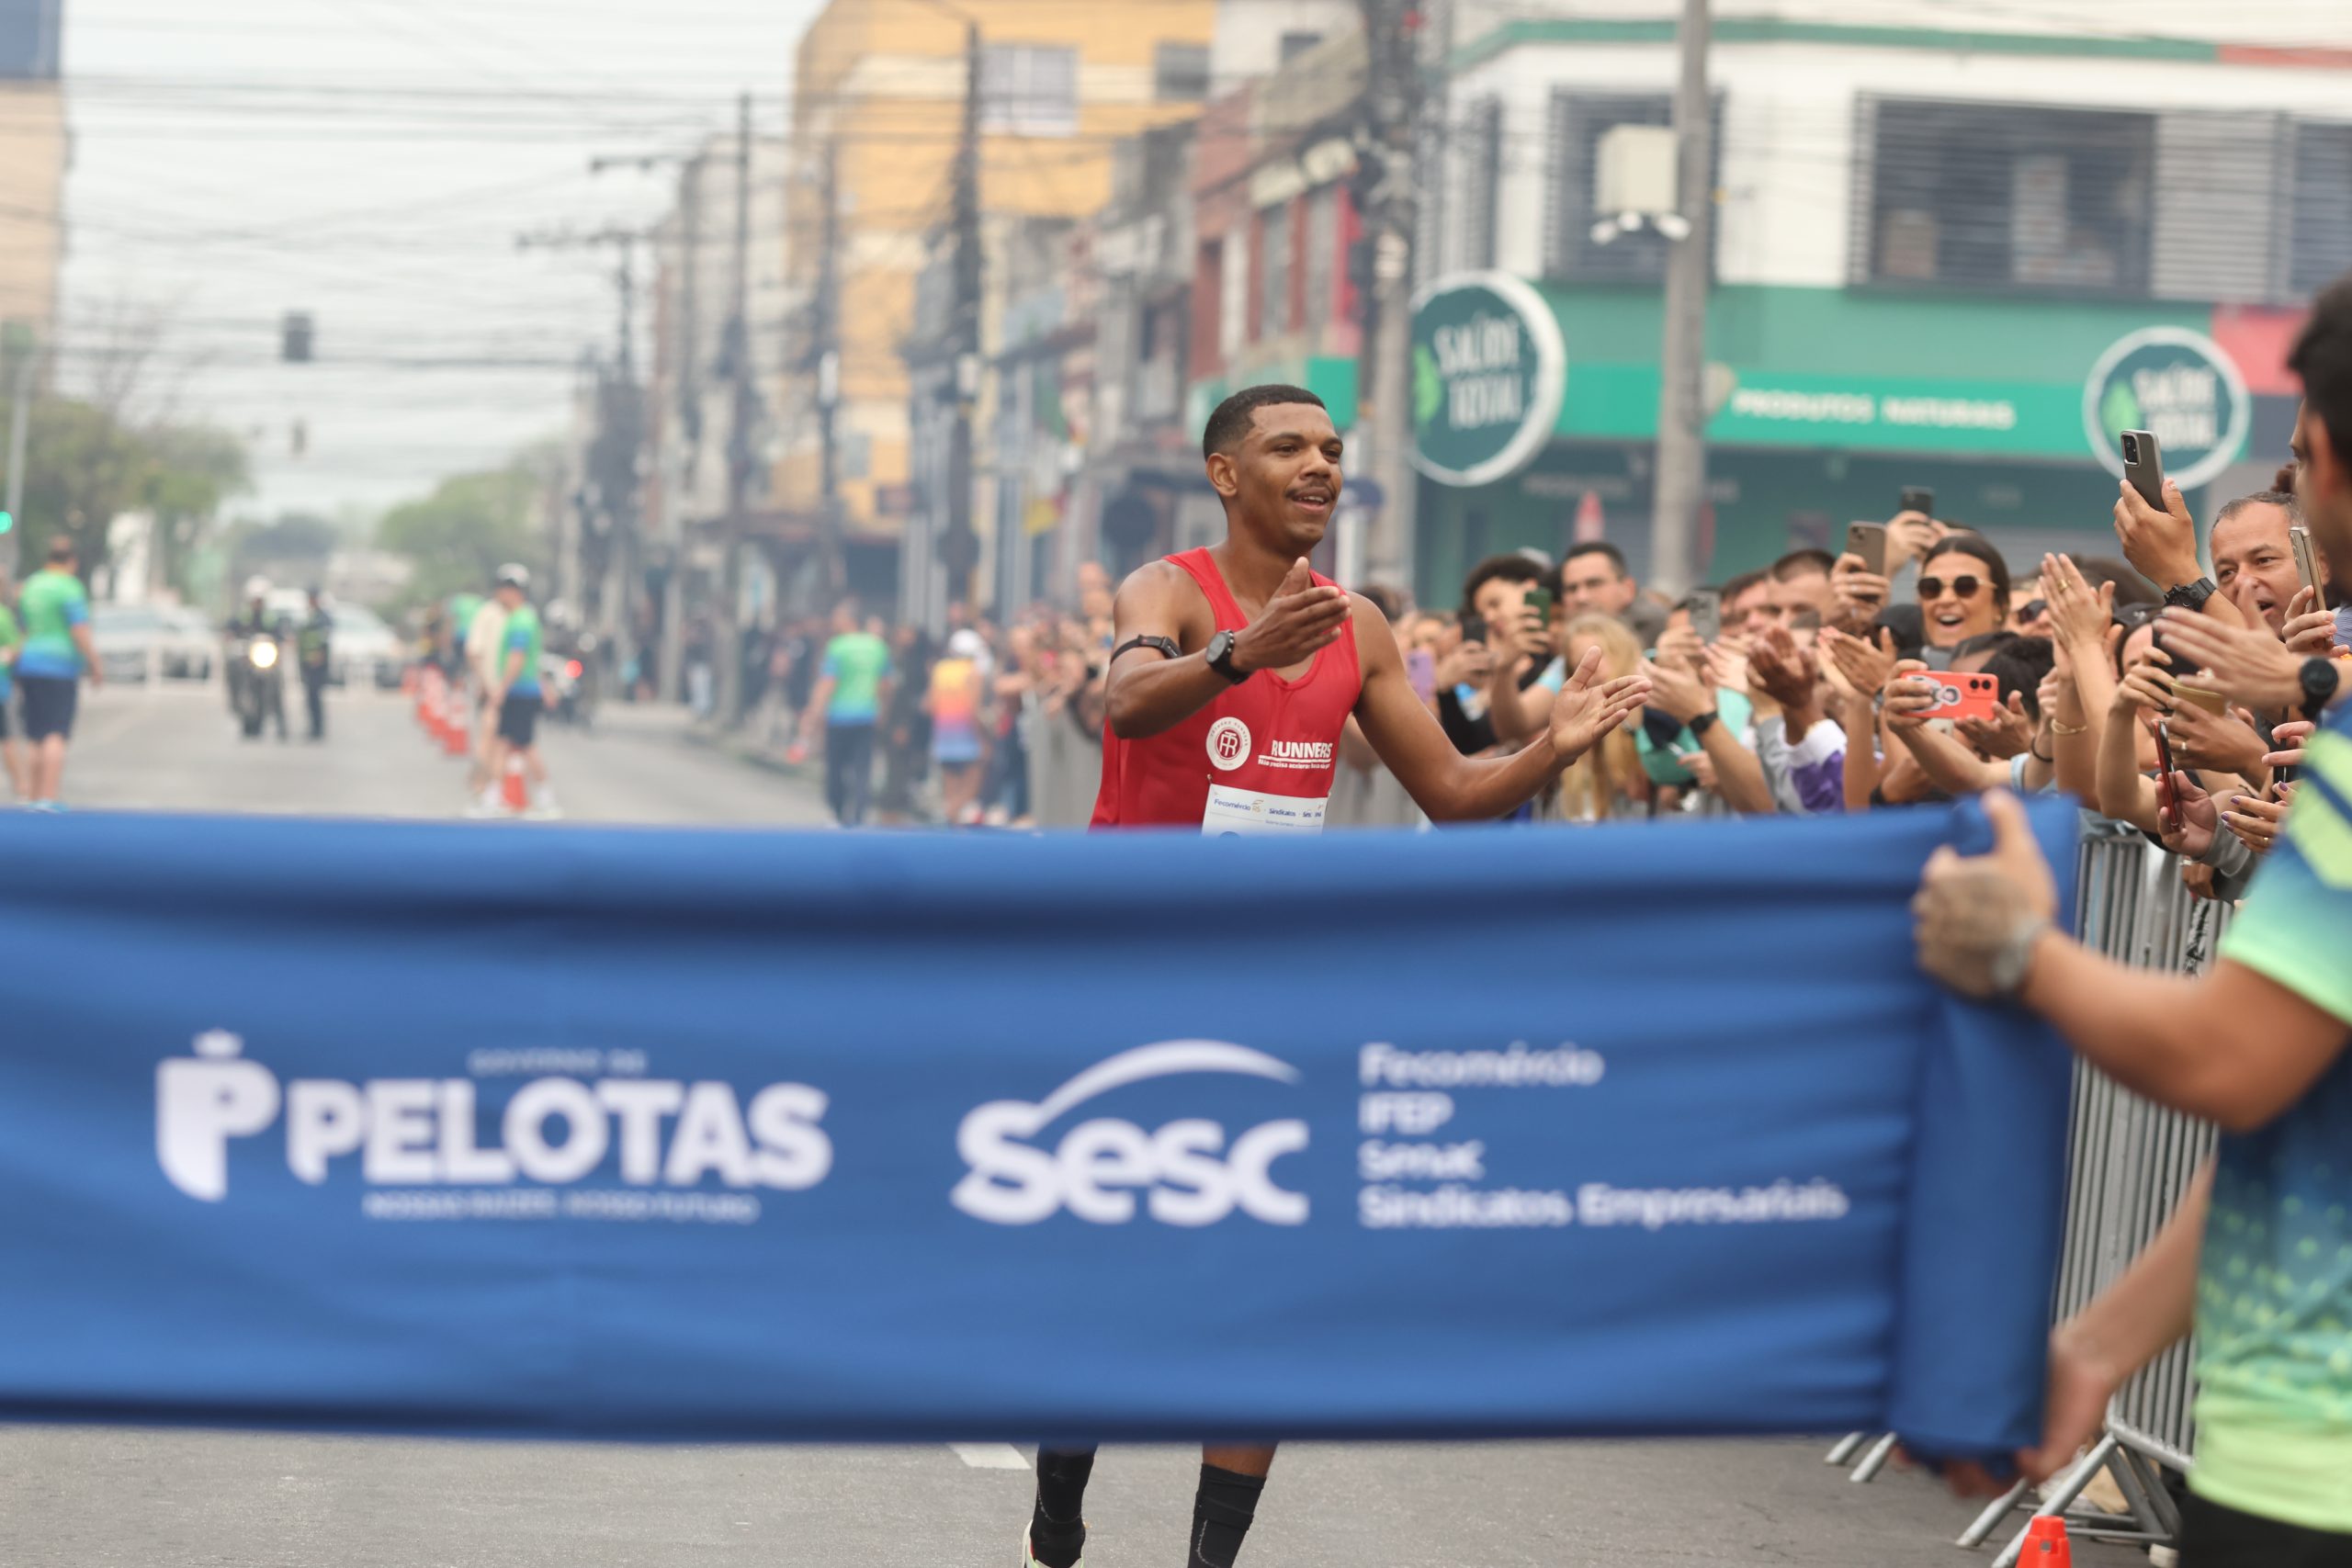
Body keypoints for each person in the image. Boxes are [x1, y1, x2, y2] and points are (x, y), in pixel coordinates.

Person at [1034, 384, 1649, 1568]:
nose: (1318, 466)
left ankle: (1211, 1560)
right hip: (1130, 979)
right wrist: (1230, 656)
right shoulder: (1166, 590)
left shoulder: (1356, 625)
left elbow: (1457, 798)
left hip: (1276, 991)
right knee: (1115, 1268)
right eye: (1288, 449)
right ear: (1226, 473)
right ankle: (1060, 1504)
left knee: (1271, 1281)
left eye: (1330, 451)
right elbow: (1122, 704)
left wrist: (1548, 747)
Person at [1914, 273, 2352, 1568]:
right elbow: (2306, 1098)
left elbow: (2235, 1057)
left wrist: (2018, 948)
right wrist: (2100, 1343)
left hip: (2314, 1461)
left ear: (2319, 455)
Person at [15, 538, 102, 809]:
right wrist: (95, 664)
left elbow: (22, 628)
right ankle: (48, 798)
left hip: (29, 664)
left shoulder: (30, 586)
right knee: (55, 733)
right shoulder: (70, 588)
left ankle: (32, 797)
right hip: (60, 667)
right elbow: (79, 630)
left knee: (35, 734)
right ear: (71, 562)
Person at [470, 565, 560, 819]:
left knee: (525, 746)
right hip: (520, 691)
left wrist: (501, 689)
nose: (499, 594)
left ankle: (545, 799)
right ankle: (492, 798)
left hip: (519, 692)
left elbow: (517, 659)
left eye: (502, 589)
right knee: (503, 744)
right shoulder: (523, 617)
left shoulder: (520, 620)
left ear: (513, 591)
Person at [797, 599, 893, 828]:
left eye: (836, 616)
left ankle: (839, 811)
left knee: (835, 768)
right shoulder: (878, 646)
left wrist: (813, 713)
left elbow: (827, 683)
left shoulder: (838, 647)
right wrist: (882, 709)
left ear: (848, 620)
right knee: (862, 770)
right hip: (867, 716)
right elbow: (886, 684)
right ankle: (859, 815)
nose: (833, 621)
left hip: (839, 716)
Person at [927, 627, 987, 825]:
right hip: (967, 735)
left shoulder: (940, 669)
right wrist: (981, 737)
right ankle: (951, 815)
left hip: (943, 736)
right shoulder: (973, 672)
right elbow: (973, 708)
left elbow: (932, 704)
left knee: (951, 786)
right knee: (972, 781)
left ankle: (951, 821)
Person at [1555, 540, 1666, 648]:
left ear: (1628, 589)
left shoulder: (1661, 637)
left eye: (1594, 584)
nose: (1581, 597)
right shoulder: (1556, 642)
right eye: (1571, 589)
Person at [225, 575, 288, 742]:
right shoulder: (243, 616)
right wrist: (231, 636)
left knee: (277, 681)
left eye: (260, 600)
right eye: (255, 600)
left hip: (266, 658)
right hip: (247, 657)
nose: (257, 603)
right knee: (234, 669)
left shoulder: (271, 617)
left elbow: (280, 634)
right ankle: (236, 703)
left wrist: (282, 640)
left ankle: (281, 722)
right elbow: (230, 629)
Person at [463, 582, 511, 798]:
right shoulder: (488, 614)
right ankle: (482, 784)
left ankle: (489, 786)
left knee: (499, 740)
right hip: (493, 688)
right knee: (489, 738)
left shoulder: (516, 616)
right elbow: (474, 652)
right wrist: (484, 683)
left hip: (506, 689)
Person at [296, 586, 334, 742]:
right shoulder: (308, 616)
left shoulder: (322, 618)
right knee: (310, 697)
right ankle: (313, 727)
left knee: (315, 697)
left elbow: (324, 640)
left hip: (318, 664)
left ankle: (318, 728)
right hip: (306, 663)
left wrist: (319, 656)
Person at [0, 574, 23, 800]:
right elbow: (14, 651)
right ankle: (21, 788)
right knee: (7, 739)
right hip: (1, 689)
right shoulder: (3, 616)